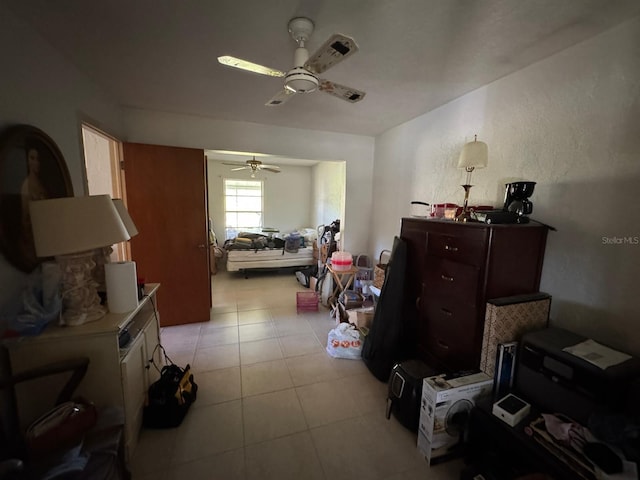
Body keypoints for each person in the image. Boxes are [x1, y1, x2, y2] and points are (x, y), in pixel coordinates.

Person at [20, 144, 49, 265]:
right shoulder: (26, 186)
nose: (36, 162)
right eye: (32, 158)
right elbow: (26, 218)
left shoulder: (41, 183)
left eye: (38, 159)